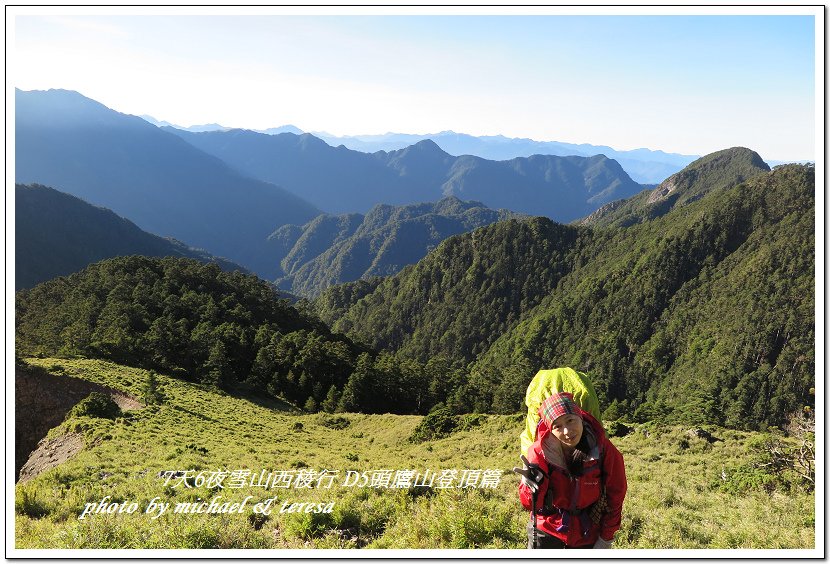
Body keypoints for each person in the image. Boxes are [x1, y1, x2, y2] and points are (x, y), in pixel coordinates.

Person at [515, 392, 626, 549]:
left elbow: (616, 496)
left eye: (570, 420)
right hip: (547, 531)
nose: (567, 431)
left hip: (588, 532)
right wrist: (530, 488)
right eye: (557, 426)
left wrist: (605, 538)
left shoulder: (604, 450)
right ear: (550, 430)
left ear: (580, 417)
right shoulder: (539, 452)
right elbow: (531, 505)